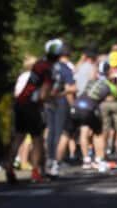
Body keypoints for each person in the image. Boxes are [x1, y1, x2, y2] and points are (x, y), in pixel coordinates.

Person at [6, 42, 58, 184]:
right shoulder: (49, 69)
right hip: (32, 106)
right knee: (37, 139)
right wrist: (53, 99)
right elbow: (43, 95)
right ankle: (36, 172)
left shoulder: (39, 63)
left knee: (18, 137)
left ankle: (9, 167)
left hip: (20, 103)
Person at [45, 40, 74, 178]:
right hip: (60, 101)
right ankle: (56, 161)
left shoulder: (45, 66)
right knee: (59, 131)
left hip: (47, 101)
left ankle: (49, 159)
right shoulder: (64, 67)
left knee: (50, 131)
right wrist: (70, 102)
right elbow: (71, 87)